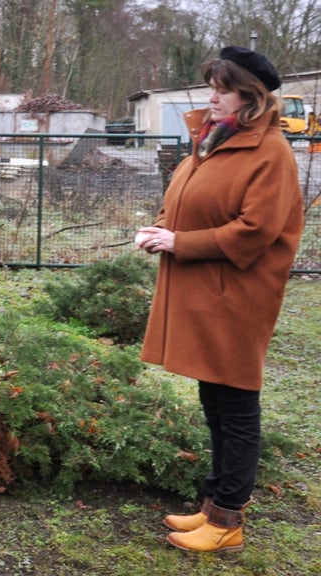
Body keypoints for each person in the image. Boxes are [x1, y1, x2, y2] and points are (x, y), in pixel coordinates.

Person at [136, 46, 304, 553]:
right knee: (215, 400)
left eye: (221, 88)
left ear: (249, 97)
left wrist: (180, 243)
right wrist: (163, 226)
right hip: (210, 290)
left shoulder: (270, 152)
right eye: (211, 85)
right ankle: (213, 507)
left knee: (235, 405)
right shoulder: (214, 141)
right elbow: (190, 199)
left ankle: (228, 520)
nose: (211, 96)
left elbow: (255, 230)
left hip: (238, 295)